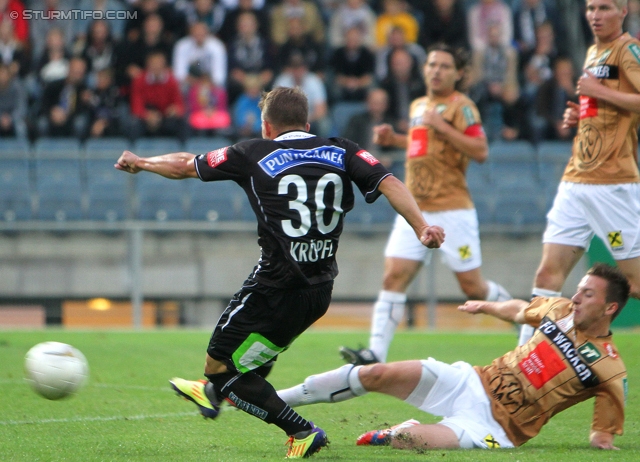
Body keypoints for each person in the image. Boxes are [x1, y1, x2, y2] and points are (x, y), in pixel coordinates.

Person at [114, 87, 445, 458]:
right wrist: (421, 226)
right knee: (255, 358)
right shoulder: (343, 150)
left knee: (220, 366)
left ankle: (299, 430)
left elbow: (185, 164)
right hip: (319, 291)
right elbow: (389, 183)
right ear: (307, 124)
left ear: (267, 126)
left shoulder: (253, 151)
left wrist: (141, 162)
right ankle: (212, 396)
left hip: (273, 286)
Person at [277, 262, 629, 451]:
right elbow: (521, 310)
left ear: (610, 307)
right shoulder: (560, 309)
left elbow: (603, 433)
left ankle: (403, 431)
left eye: (588, 293)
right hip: (470, 381)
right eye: (579, 289)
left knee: (404, 444)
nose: (577, 297)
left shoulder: (609, 367)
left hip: (494, 428)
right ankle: (276, 401)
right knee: (375, 374)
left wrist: (602, 441)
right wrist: (487, 306)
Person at [339, 43, 511, 367]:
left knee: (472, 286)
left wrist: (442, 125)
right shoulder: (420, 105)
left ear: (458, 74)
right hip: (416, 209)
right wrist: (396, 140)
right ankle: (375, 353)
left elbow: (481, 150)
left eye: (445, 66)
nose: (436, 70)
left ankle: (522, 318)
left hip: (452, 208)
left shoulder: (463, 108)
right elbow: (425, 143)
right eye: (432, 64)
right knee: (394, 276)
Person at [518, 0, 640, 346]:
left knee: (635, 284)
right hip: (576, 180)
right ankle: (523, 359)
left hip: (612, 184)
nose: (595, 15)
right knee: (547, 273)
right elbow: (607, 109)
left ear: (623, 11)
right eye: (590, 8)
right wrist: (581, 114)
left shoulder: (627, 50)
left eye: (604, 8)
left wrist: (596, 92)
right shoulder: (593, 52)